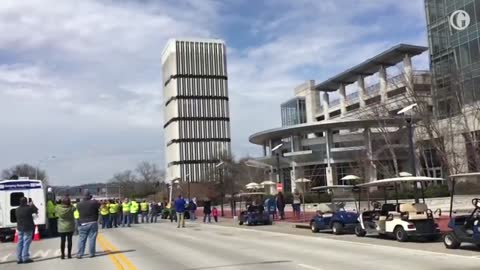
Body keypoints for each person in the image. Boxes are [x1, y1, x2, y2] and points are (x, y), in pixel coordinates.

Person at [76, 192, 100, 259]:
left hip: (83, 223)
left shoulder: (78, 204)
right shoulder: (94, 203)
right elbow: (99, 205)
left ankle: (80, 254)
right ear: (90, 196)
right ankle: (91, 253)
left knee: (81, 239)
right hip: (93, 222)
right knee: (92, 239)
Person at [15, 197, 38, 264]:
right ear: (26, 202)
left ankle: (19, 258)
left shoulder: (17, 209)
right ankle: (25, 257)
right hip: (28, 227)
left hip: (19, 227)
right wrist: (31, 203)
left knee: (20, 242)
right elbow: (36, 210)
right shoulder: (28, 209)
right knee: (26, 243)